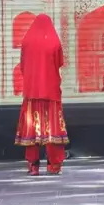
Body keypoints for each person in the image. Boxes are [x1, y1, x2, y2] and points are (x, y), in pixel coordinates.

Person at [15, 14, 69, 176]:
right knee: (52, 128)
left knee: (32, 128)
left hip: (32, 91)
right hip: (50, 91)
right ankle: (54, 166)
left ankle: (33, 166)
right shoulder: (54, 42)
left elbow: (23, 66)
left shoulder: (26, 42)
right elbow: (59, 62)